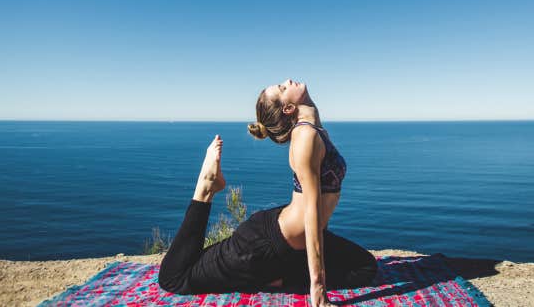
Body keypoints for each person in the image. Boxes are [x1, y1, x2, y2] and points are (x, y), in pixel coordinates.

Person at [158, 79, 377, 307]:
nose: (287, 82)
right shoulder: (305, 137)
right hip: (263, 245)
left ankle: (274, 276)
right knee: (175, 278)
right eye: (282, 88)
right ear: (289, 108)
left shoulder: (315, 130)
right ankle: (205, 188)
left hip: (291, 241)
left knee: (365, 268)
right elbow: (311, 215)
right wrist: (318, 292)